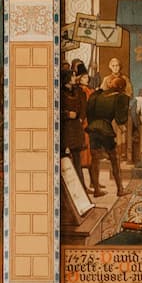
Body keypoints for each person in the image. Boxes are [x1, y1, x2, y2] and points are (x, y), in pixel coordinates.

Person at [86, 72, 130, 197]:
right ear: (122, 88)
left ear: (111, 84)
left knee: (95, 159)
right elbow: (121, 119)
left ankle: (96, 191)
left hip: (93, 128)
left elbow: (89, 111)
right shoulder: (120, 97)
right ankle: (120, 189)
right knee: (114, 158)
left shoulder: (97, 94)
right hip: (106, 129)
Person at [60, 63, 90, 193]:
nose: (74, 78)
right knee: (65, 160)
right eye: (72, 76)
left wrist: (80, 118)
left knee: (77, 160)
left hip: (76, 128)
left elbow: (83, 107)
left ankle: (81, 188)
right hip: (64, 129)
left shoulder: (78, 91)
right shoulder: (59, 93)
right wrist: (67, 114)